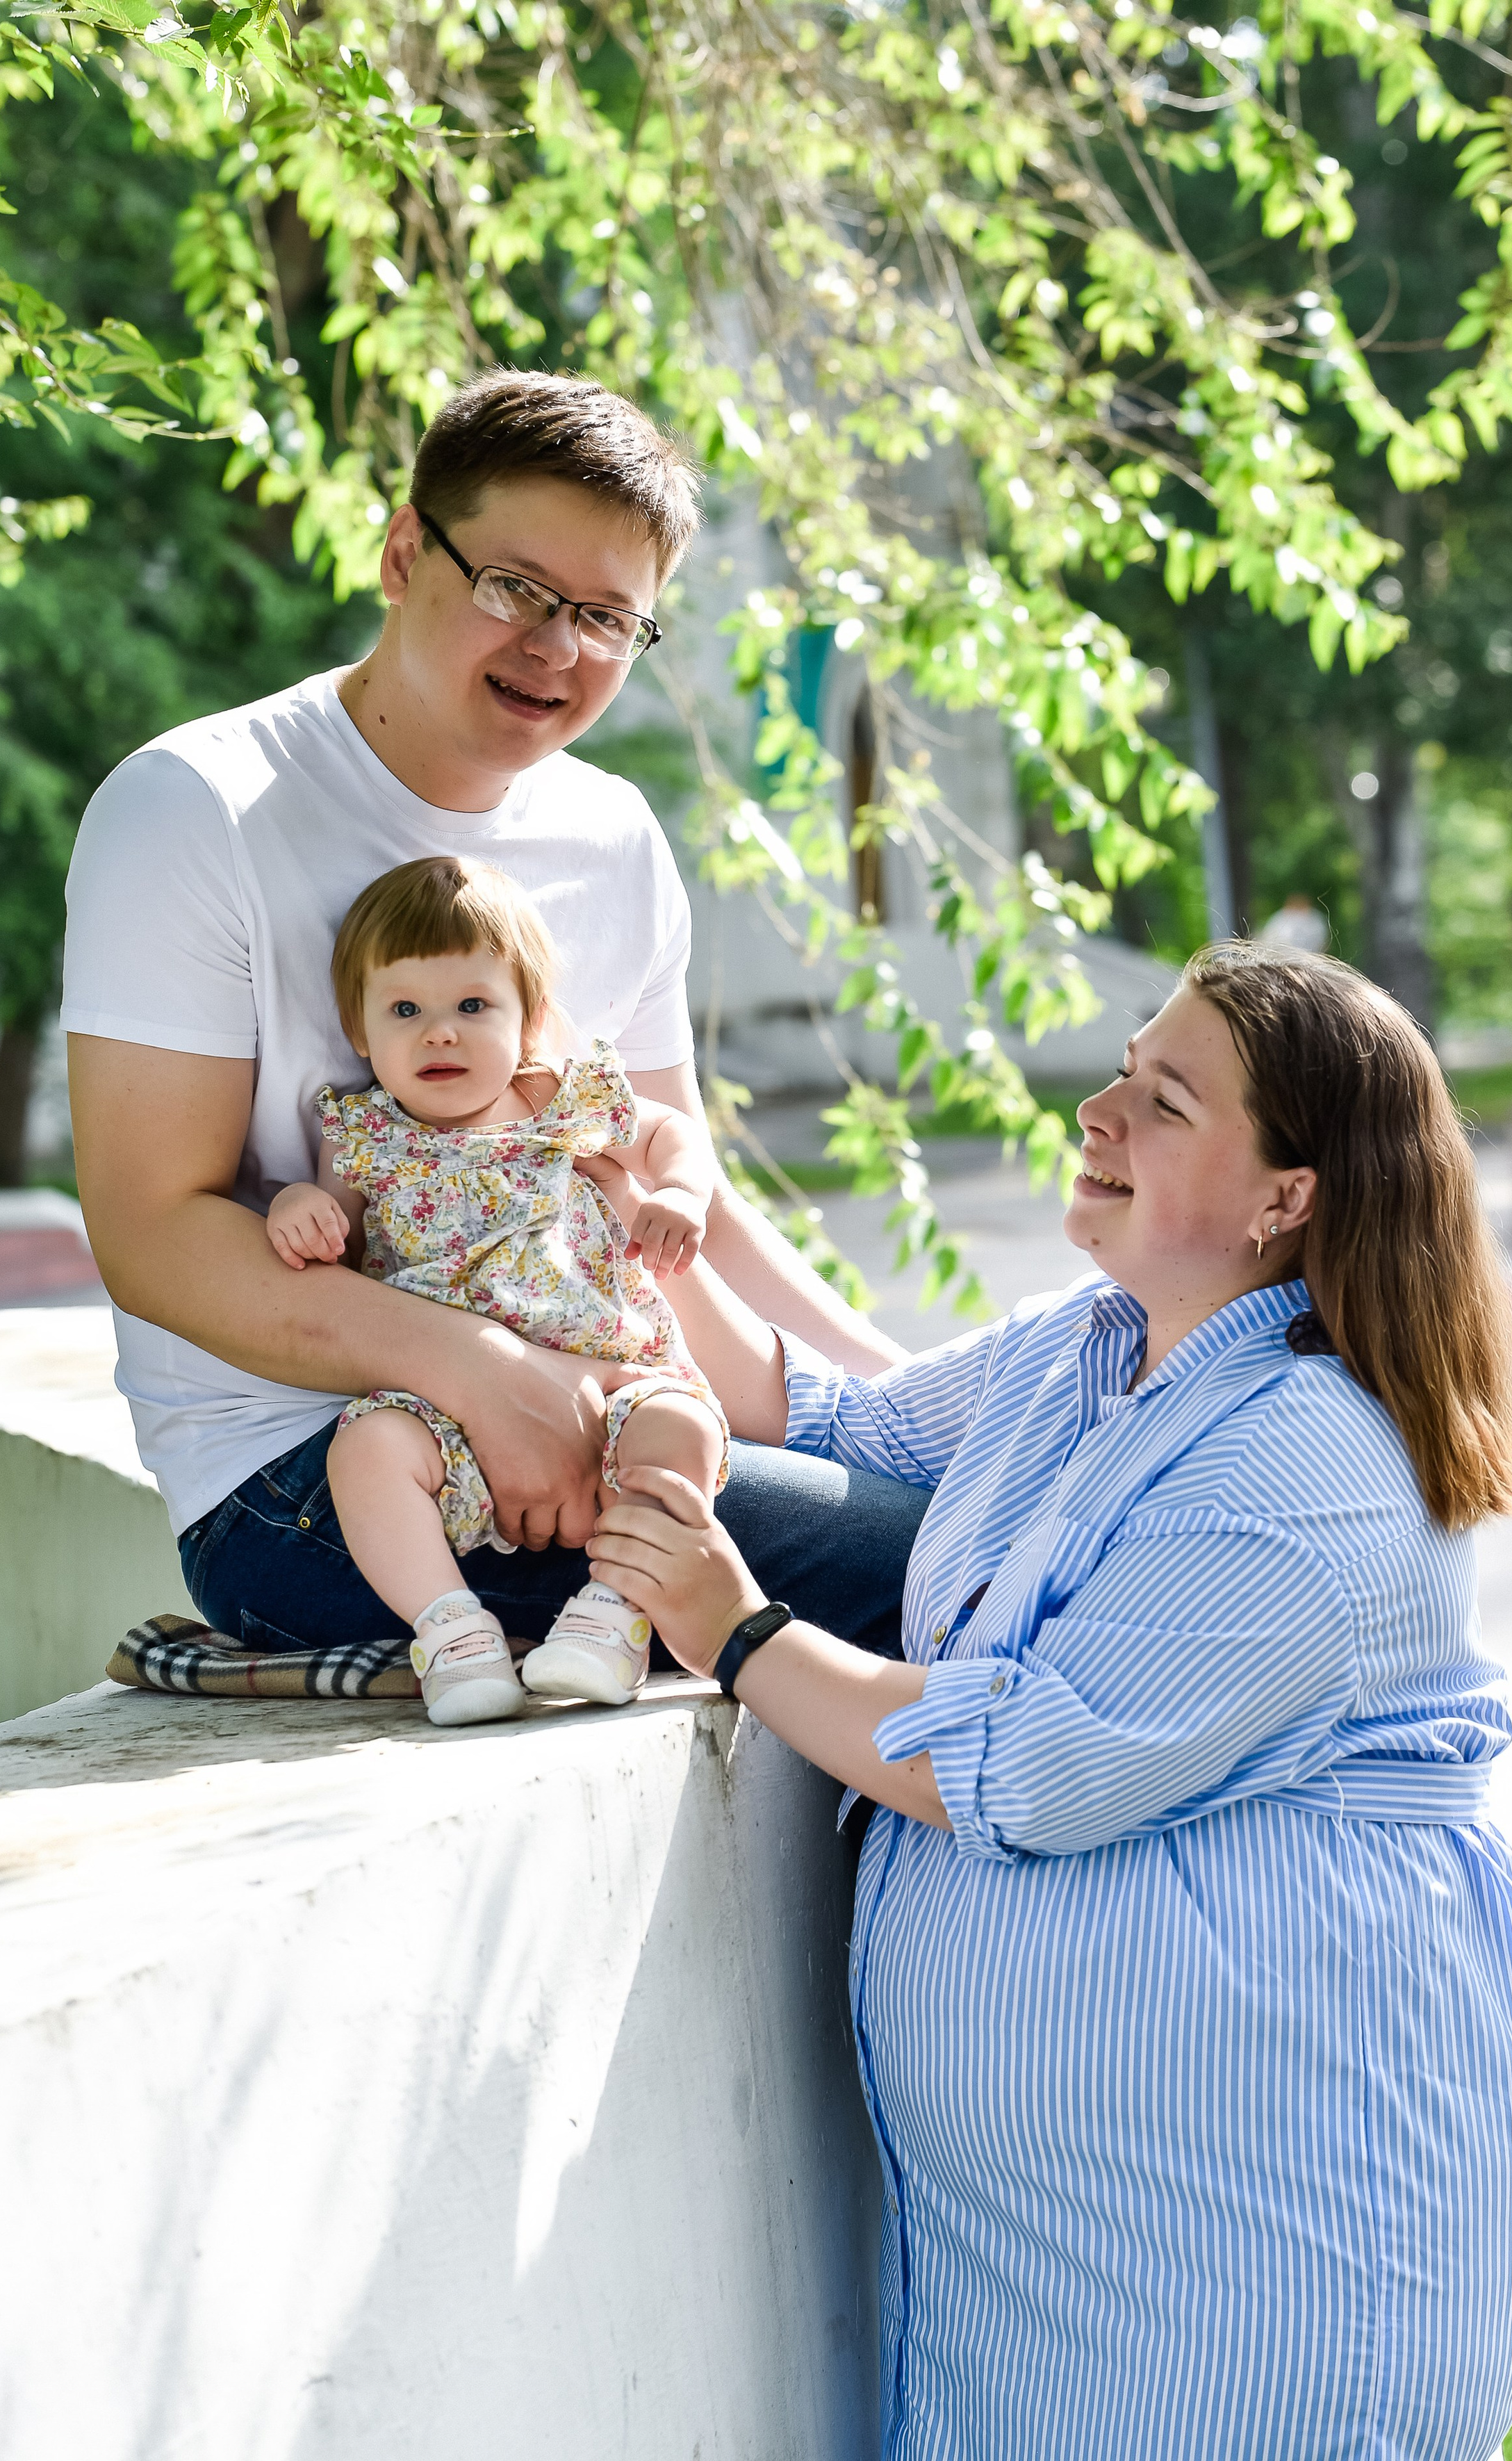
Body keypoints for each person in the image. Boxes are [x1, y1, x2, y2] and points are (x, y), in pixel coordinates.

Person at [588, 944, 1512, 2461]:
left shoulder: (1315, 1454)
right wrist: (669, 1217)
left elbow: (1019, 1757)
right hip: (1096, 2245)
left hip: (1281, 2215)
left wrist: (731, 1628)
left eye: (1161, 1098)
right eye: (1119, 1068)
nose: (1095, 1111)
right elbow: (832, 1420)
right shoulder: (1084, 1349)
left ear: (1286, 1192)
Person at [64, 370, 925, 1657]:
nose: (556, 649)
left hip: (605, 1405)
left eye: (606, 618)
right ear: (407, 551)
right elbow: (152, 1232)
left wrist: (897, 1402)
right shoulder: (195, 807)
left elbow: (675, 1204)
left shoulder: (615, 834)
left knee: (975, 1512)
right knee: (942, 1569)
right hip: (319, 1482)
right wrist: (480, 1371)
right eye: (517, 589)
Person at [264, 852, 728, 1724]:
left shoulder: (553, 1096)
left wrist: (677, 1191)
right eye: (405, 1011)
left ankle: (615, 1617)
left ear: (530, 1020)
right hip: (449, 1416)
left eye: (472, 1006)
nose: (439, 1033)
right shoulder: (363, 1133)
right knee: (366, 1452)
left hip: (614, 1377)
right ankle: (454, 1635)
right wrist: (298, 1206)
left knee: (682, 1429)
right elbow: (331, 1218)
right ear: (360, 1031)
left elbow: (670, 1133)